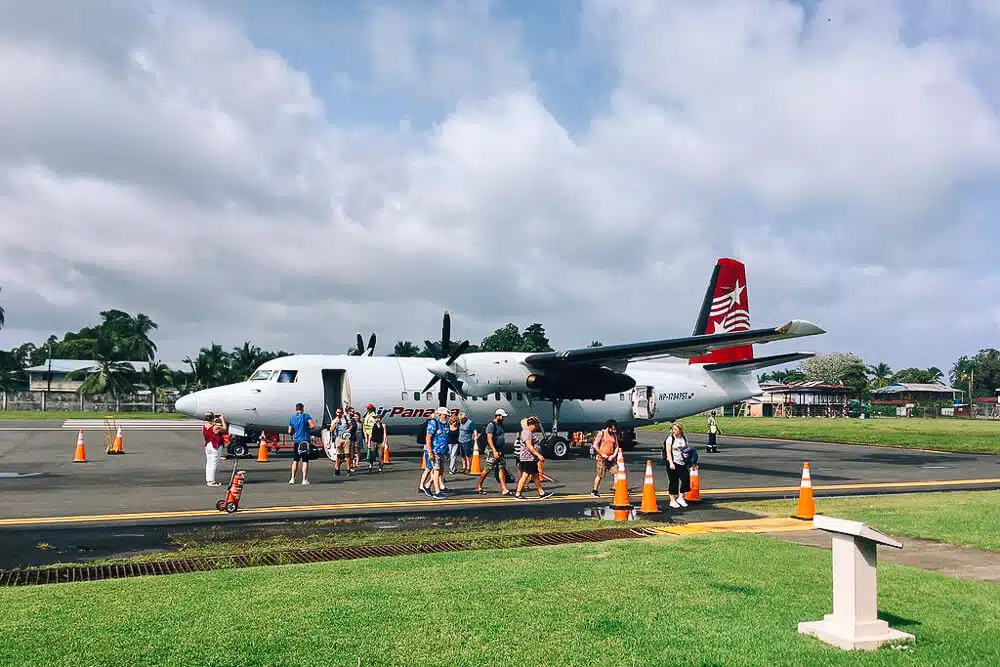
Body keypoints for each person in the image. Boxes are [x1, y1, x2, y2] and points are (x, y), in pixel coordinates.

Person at [475, 409, 512, 496]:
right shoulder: (491, 425)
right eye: (502, 417)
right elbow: (489, 438)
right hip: (492, 450)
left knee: (502, 468)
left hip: (500, 450)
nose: (503, 418)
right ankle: (479, 485)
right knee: (488, 468)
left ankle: (504, 488)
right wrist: (494, 450)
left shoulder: (501, 425)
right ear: (497, 416)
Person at [514, 416, 552, 499]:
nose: (536, 428)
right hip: (528, 458)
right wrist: (539, 455)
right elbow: (529, 447)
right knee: (525, 475)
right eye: (535, 426)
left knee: (535, 476)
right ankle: (518, 493)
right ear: (530, 424)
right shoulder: (527, 433)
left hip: (530, 458)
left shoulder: (527, 432)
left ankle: (541, 492)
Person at [663, 422, 691, 508]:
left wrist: (687, 456)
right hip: (673, 462)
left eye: (676, 429)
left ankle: (681, 497)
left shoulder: (683, 438)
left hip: (682, 462)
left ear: (680, 430)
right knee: (673, 481)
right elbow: (668, 451)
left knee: (685, 480)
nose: (674, 431)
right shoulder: (670, 438)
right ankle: (672, 500)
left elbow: (686, 449)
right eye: (673, 429)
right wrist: (671, 462)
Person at [425, 407, 451, 498]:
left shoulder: (446, 424)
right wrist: (430, 452)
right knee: (436, 471)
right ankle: (437, 491)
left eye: (447, 416)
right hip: (435, 451)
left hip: (443, 451)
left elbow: (446, 438)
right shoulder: (433, 423)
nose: (446, 417)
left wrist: (447, 451)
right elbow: (428, 438)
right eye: (445, 415)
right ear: (439, 415)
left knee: (440, 471)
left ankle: (427, 485)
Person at [590, 419, 620, 497]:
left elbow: (617, 447)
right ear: (608, 427)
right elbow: (595, 445)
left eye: (614, 429)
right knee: (600, 475)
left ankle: (616, 488)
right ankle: (594, 490)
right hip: (602, 458)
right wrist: (602, 454)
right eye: (612, 429)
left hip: (611, 458)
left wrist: (613, 456)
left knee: (616, 472)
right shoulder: (602, 433)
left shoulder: (614, 436)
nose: (613, 430)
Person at [288, 403, 316, 485]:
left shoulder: (292, 418)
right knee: (305, 460)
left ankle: (292, 478)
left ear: (296, 409)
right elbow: (312, 425)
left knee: (295, 460)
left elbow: (290, 431)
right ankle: (304, 479)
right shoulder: (306, 416)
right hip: (304, 440)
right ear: (303, 409)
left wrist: (295, 432)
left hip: (297, 441)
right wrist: (307, 428)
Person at [202, 411, 227, 486]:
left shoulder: (205, 426)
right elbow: (225, 429)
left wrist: (215, 421)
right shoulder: (216, 427)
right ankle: (212, 481)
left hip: (208, 445)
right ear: (212, 417)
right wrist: (222, 419)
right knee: (213, 463)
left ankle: (208, 479)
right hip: (215, 445)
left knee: (209, 463)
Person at [330, 408, 352, 476]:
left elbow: (351, 425)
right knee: (339, 455)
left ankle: (348, 470)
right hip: (338, 438)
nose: (339, 414)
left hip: (346, 438)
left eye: (340, 412)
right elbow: (331, 430)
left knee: (347, 454)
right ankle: (337, 470)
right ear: (336, 413)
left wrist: (348, 430)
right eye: (338, 412)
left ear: (342, 413)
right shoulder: (334, 420)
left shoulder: (345, 418)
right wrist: (336, 423)